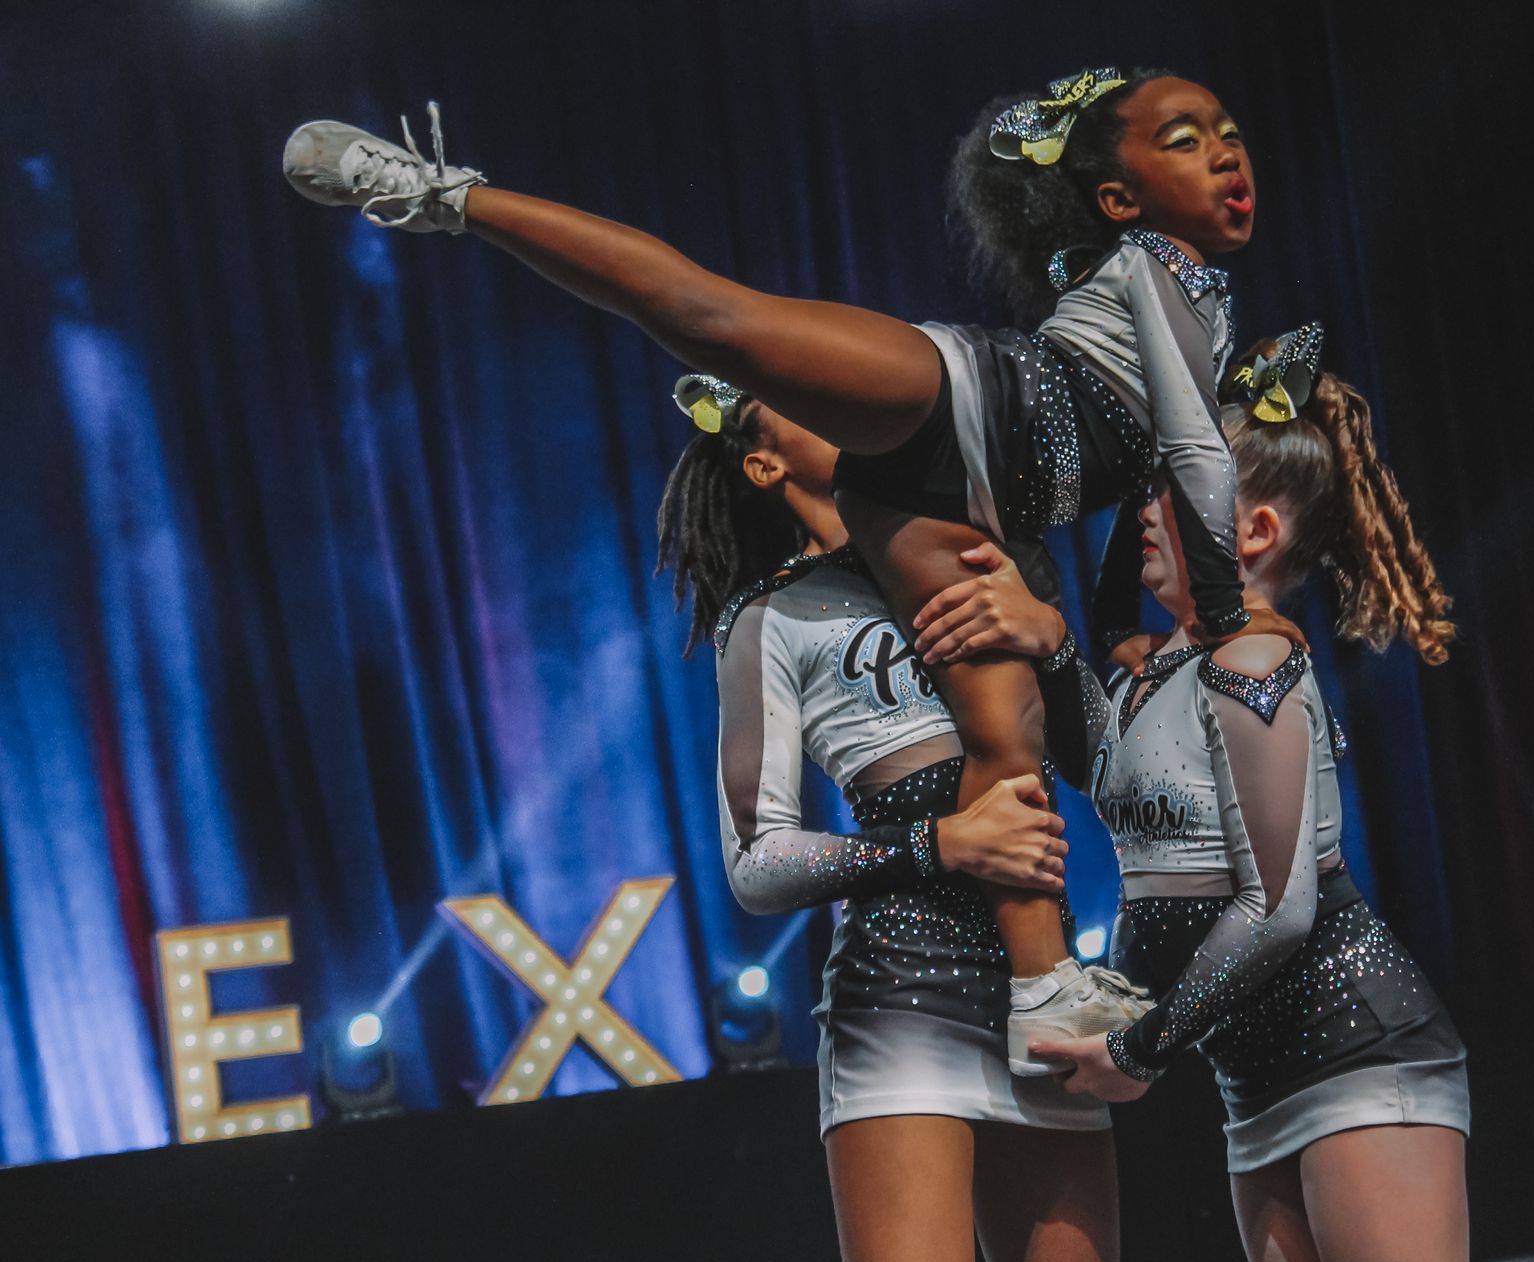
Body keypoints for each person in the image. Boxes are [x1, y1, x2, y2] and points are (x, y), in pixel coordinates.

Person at [280, 69, 1300, 1067]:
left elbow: (1149, 484)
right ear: (1117, 199)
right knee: (715, 316)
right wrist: (1217, 609)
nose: (1225, 150)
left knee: (1006, 733)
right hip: (976, 403)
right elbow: (1192, 451)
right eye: (1185, 136)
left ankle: (1042, 987)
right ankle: (446, 194)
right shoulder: (1161, 270)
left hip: (964, 498)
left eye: (1230, 133)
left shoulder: (1163, 289)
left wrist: (1103, 619)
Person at [1006, 326, 1472, 1262]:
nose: (1145, 510)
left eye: (1171, 490)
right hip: (1253, 1080)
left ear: (1255, 531)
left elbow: (1280, 904)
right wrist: (1042, 627)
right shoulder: (1152, 675)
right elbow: (1096, 761)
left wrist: (1138, 1047)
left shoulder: (1257, 665)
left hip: (1359, 1057)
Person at [658, 374, 1140, 1262]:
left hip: (1043, 981)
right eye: (801, 399)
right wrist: (941, 843)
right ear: (764, 461)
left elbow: (1109, 771)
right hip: (901, 996)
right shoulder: (771, 618)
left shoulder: (981, 553)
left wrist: (1053, 638)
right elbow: (756, 863)